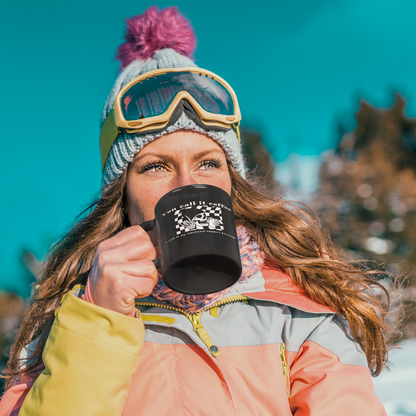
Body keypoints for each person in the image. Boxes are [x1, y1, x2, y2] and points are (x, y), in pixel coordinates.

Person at [0, 6, 391, 416]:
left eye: (208, 163)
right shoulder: (70, 321)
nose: (188, 185)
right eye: (155, 166)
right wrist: (100, 318)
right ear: (122, 195)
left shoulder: (299, 308)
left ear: (232, 184)